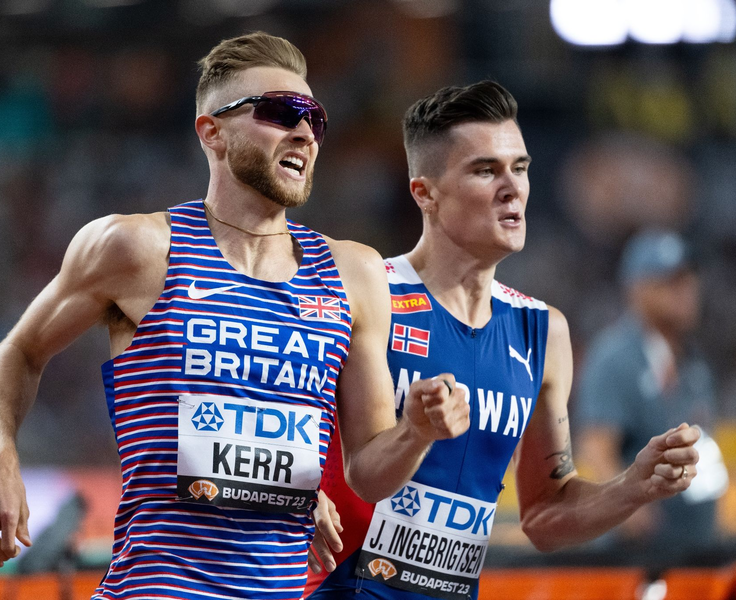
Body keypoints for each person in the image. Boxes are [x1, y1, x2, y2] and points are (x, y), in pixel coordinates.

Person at [0, 32, 470, 600]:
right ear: (214, 133)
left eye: (316, 120)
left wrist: (416, 432)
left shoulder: (354, 273)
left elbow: (368, 473)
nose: (304, 131)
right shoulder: (137, 249)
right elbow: (19, 351)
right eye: (281, 112)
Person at [304, 82, 702, 600]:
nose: (513, 187)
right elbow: (255, 407)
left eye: (521, 167)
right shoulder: (365, 292)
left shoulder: (542, 331)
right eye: (485, 170)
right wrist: (296, 497)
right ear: (425, 193)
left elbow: (544, 514)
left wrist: (632, 488)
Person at [575, 228, 728, 555]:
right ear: (637, 289)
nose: (686, 292)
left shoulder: (694, 363)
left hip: (694, 543)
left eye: (689, 280)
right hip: (635, 551)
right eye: (671, 282)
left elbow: (706, 445)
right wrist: (628, 507)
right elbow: (596, 446)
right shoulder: (615, 357)